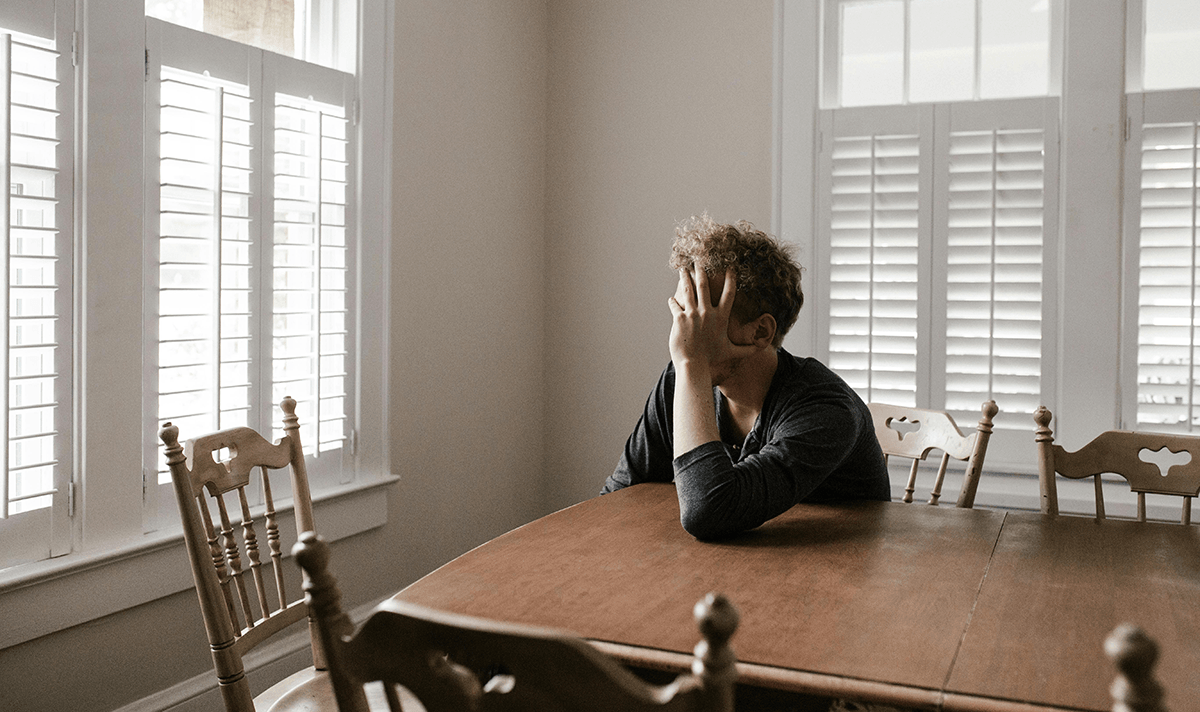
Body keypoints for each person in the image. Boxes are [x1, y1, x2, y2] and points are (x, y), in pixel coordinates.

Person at [602, 214, 889, 540]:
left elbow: (708, 511)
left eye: (702, 315)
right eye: (683, 313)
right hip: (732, 570)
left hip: (841, 576)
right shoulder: (681, 379)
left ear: (761, 331)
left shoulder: (827, 409)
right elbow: (618, 497)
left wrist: (693, 363)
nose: (682, 333)